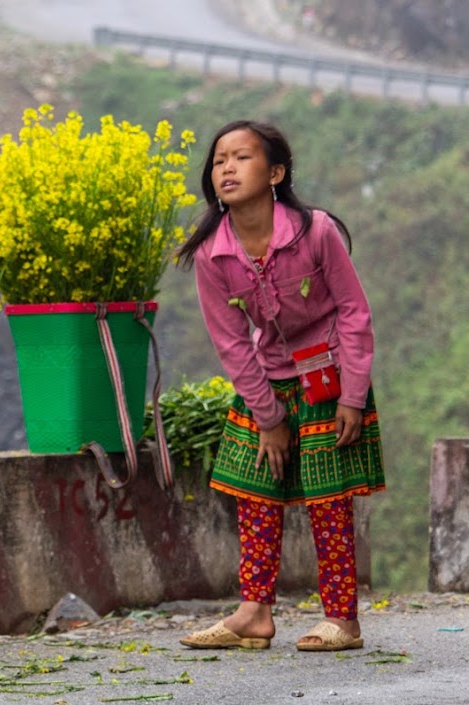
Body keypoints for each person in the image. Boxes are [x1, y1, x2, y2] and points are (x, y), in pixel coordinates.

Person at [175, 120, 384, 654]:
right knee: (255, 494)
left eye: (241, 157)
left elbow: (354, 312)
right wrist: (268, 417)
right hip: (266, 379)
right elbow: (232, 343)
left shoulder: (316, 232)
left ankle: (343, 619)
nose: (226, 167)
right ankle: (254, 614)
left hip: (329, 377)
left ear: (276, 173)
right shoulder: (212, 253)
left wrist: (353, 397)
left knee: (327, 499)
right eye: (219, 159)